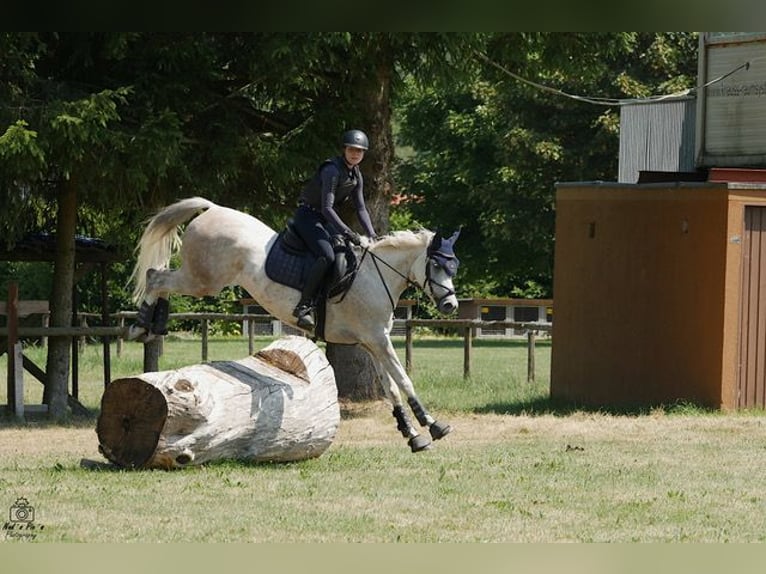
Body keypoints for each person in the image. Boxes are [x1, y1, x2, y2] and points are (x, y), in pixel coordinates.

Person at [291, 129, 378, 329]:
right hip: (308, 216)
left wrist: (372, 234)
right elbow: (327, 208)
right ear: (344, 149)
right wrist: (348, 231)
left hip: (323, 219)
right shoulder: (331, 170)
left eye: (360, 151)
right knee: (327, 256)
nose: (355, 154)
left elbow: (361, 208)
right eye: (352, 149)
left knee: (346, 253)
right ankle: (303, 306)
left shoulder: (356, 174)